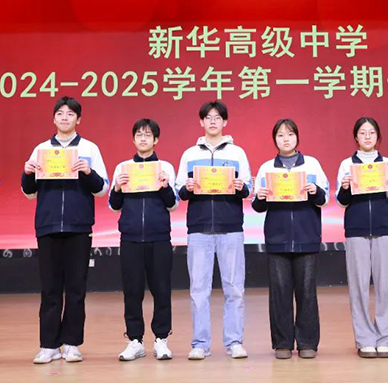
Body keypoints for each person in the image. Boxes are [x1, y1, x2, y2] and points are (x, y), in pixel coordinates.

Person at [22, 96, 108, 364]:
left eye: (70, 114)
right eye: (60, 113)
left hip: (79, 226)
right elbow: (28, 193)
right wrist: (27, 173)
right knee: (49, 288)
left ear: (78, 119)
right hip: (47, 225)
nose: (65, 118)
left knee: (76, 288)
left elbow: (102, 188)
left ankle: (71, 343)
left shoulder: (90, 148)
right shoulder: (40, 150)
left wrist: (88, 172)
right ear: (53, 118)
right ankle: (49, 345)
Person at [175, 100, 252, 360]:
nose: (212, 122)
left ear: (225, 122)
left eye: (217, 117)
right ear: (201, 122)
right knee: (198, 290)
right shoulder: (189, 154)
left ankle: (234, 342)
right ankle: (200, 344)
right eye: (208, 117)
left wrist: (241, 186)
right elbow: (179, 190)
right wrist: (187, 187)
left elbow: (248, 188)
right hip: (198, 228)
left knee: (234, 289)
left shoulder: (237, 153)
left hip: (230, 228)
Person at [252, 119, 329, 359]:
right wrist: (261, 197)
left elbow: (324, 199)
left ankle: (307, 343)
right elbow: (257, 206)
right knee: (280, 293)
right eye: (280, 135)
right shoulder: (267, 168)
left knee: (307, 293)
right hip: (277, 239)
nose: (285, 139)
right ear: (274, 139)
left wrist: (316, 191)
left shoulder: (312, 164)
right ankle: (282, 343)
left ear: (297, 137)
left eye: (290, 134)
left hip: (307, 237)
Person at [109, 119, 178, 361]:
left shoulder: (165, 167)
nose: (143, 139)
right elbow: (114, 205)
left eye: (148, 135)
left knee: (162, 289)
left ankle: (161, 339)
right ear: (133, 139)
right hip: (130, 238)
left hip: (159, 237)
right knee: (132, 291)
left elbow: (173, 204)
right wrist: (118, 188)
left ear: (156, 139)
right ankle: (135, 341)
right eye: (139, 134)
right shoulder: (123, 167)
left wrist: (165, 186)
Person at [335, 117, 388, 359]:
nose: (367, 137)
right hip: (356, 229)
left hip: (384, 228)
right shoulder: (347, 164)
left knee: (385, 287)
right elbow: (342, 202)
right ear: (356, 137)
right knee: (359, 287)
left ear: (377, 136)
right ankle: (364, 339)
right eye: (362, 133)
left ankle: (385, 339)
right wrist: (345, 187)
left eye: (371, 132)